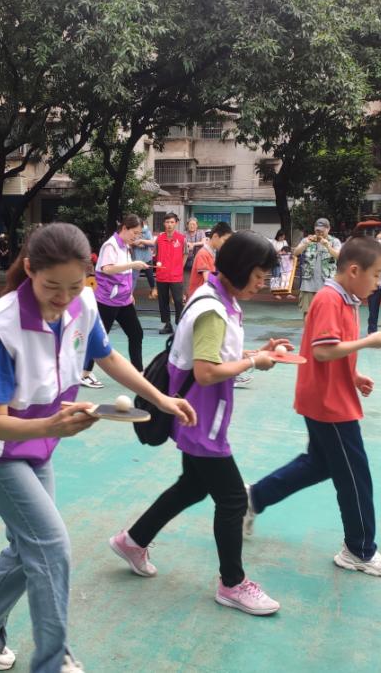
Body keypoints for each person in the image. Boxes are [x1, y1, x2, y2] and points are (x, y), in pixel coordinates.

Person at [0, 223, 196, 673]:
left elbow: (107, 356)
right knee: (51, 543)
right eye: (50, 286)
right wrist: (53, 424)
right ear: (29, 270)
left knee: (30, 546)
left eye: (75, 286)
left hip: (40, 432)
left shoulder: (83, 305)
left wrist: (158, 398)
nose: (63, 298)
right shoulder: (0, 326)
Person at [110, 232, 288, 616]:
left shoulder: (218, 297)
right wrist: (254, 362)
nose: (263, 282)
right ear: (241, 270)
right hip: (201, 417)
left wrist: (258, 352)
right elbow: (207, 372)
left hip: (198, 415)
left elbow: (216, 353)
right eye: (259, 275)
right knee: (234, 499)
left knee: (192, 486)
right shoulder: (212, 308)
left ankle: (133, 540)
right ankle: (233, 583)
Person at [245, 237, 381, 578]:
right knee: (355, 478)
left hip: (329, 395)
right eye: (376, 276)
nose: (379, 284)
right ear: (354, 270)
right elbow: (323, 351)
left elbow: (333, 349)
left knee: (319, 464)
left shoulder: (346, 299)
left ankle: (254, 497)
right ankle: (358, 550)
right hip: (330, 404)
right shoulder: (331, 299)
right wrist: (369, 341)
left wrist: (354, 374)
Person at [79, 214, 149, 389]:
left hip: (123, 301)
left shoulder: (125, 246)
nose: (136, 237)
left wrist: (129, 293)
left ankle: (138, 372)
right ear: (124, 228)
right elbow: (108, 269)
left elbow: (123, 276)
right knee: (98, 338)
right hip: (106, 301)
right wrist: (133, 265)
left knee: (136, 333)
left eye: (139, 234)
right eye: (135, 232)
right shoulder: (110, 245)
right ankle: (84, 373)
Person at [293, 218, 341, 318]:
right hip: (308, 284)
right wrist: (305, 243)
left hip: (327, 284)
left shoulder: (334, 241)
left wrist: (328, 246)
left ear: (328, 229)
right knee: (307, 313)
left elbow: (339, 256)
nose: (319, 233)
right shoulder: (307, 240)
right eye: (317, 230)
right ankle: (308, 333)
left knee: (327, 313)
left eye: (322, 230)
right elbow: (296, 252)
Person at [154, 212, 185, 334]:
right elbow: (155, 254)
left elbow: (186, 254)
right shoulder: (159, 239)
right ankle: (167, 324)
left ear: (176, 223)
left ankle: (180, 323)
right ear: (164, 223)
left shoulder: (182, 239)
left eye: (172, 222)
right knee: (163, 302)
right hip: (162, 276)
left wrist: (179, 267)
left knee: (178, 300)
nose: (169, 225)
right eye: (167, 222)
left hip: (176, 276)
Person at [187, 222, 232, 297]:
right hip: (199, 299)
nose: (226, 245)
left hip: (204, 296)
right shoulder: (203, 254)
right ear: (215, 236)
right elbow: (208, 280)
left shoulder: (212, 252)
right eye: (225, 240)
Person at [132, 221, 157, 298]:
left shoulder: (147, 232)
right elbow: (130, 242)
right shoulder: (133, 231)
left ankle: (153, 290)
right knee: (133, 276)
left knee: (150, 276)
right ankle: (130, 293)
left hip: (147, 258)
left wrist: (142, 241)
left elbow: (152, 242)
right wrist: (135, 243)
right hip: (136, 258)